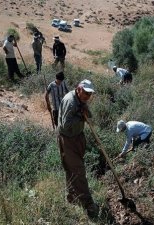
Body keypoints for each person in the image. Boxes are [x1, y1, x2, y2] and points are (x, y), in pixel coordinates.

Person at [57, 79, 99, 219]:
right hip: (68, 140)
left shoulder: (81, 99)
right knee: (78, 171)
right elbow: (66, 124)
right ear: (78, 89)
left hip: (78, 138)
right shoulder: (71, 101)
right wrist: (80, 116)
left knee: (72, 170)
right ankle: (89, 205)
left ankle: (71, 197)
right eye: (86, 93)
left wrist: (84, 111)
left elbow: (90, 115)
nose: (88, 96)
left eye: (90, 94)